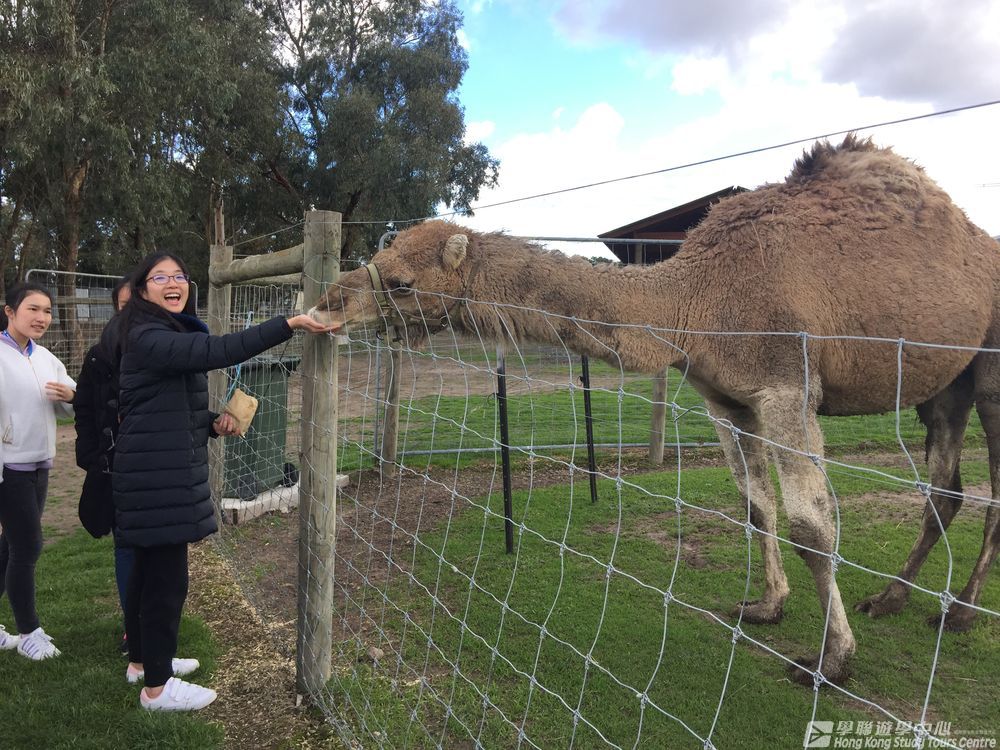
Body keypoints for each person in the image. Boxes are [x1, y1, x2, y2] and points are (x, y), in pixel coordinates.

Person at [112, 252, 335, 711]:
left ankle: (144, 663)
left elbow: (163, 408)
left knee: (147, 576)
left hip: (153, 472)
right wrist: (288, 324)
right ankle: (158, 689)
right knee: (166, 582)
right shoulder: (147, 335)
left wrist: (212, 423)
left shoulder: (160, 332)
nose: (173, 283)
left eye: (180, 275)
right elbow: (217, 352)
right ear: (142, 290)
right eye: (160, 277)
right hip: (157, 479)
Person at [0, 282, 76, 660]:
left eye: (47, 311)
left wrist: (71, 396)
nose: (42, 318)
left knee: (10, 546)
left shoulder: (46, 357)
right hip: (7, 469)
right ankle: (29, 632)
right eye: (33, 309)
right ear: (10, 311)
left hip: (40, 465)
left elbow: (70, 404)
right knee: (27, 546)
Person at [73, 275, 133, 655]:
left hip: (159, 468)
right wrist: (92, 454)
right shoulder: (100, 355)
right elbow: (83, 407)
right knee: (125, 545)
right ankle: (133, 628)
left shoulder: (167, 349)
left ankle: (154, 625)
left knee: (158, 552)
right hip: (115, 468)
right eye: (126, 306)